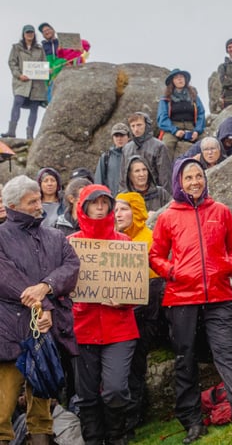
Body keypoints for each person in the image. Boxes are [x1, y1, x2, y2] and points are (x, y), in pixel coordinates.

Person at [150, 158, 232, 443]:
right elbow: (155, 255)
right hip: (181, 299)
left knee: (227, 353)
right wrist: (173, 271)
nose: (195, 182)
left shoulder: (221, 211)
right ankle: (192, 422)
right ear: (178, 183)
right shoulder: (168, 216)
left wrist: (226, 267)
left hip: (219, 296)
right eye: (188, 178)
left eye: (199, 176)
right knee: (186, 360)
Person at [0, 176, 80, 445]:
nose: (39, 205)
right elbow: (8, 281)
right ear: (13, 206)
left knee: (42, 411)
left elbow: (71, 268)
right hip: (9, 332)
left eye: (38, 199)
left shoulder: (55, 236)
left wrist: (46, 286)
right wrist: (43, 307)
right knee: (2, 412)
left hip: (46, 335)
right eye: (31, 201)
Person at [69, 184, 138, 445]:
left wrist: (125, 300)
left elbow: (137, 289)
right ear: (83, 207)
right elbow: (61, 289)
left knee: (116, 389)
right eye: (94, 202)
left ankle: (117, 437)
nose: (100, 207)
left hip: (119, 328)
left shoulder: (125, 244)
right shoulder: (70, 244)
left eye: (104, 202)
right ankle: (94, 440)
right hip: (82, 327)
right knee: (86, 395)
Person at [114, 192, 163, 435]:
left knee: (135, 363)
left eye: (123, 209)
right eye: (116, 210)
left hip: (146, 309)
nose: (118, 214)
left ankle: (132, 421)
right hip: (119, 310)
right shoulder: (114, 239)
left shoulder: (149, 239)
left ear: (136, 211)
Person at [3, 26, 47, 140]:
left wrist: (46, 70)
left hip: (37, 84)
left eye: (31, 32)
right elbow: (12, 63)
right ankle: (11, 131)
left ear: (34, 34)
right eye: (27, 32)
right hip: (21, 82)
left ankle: (30, 135)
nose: (29, 34)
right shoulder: (16, 48)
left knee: (34, 107)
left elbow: (44, 63)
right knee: (17, 102)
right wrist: (19, 75)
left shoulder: (39, 48)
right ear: (23, 34)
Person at [157, 69, 206, 159]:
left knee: (207, 143)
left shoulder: (194, 96)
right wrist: (175, 131)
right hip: (173, 128)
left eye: (182, 77)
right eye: (177, 78)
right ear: (172, 81)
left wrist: (197, 131)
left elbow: (201, 113)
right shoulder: (165, 99)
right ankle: (167, 172)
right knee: (166, 146)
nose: (180, 79)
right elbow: (162, 118)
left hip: (192, 127)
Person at [119, 112, 172, 192]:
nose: (136, 129)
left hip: (154, 195)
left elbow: (165, 178)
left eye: (139, 125)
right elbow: (123, 178)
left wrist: (165, 198)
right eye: (133, 126)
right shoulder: (126, 149)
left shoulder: (159, 147)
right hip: (132, 196)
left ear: (146, 125)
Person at [94, 122, 130, 195]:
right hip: (113, 200)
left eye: (122, 135)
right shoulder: (105, 157)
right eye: (116, 136)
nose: (119, 138)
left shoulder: (135, 154)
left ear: (128, 137)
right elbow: (99, 183)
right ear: (112, 138)